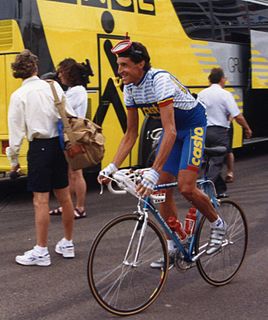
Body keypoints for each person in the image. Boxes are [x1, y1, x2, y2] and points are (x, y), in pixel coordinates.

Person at [97, 38, 228, 268]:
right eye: (119, 65)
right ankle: (173, 244)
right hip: (173, 132)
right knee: (161, 189)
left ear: (141, 64)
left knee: (186, 187)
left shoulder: (160, 80)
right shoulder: (129, 88)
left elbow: (170, 130)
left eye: (124, 65)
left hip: (191, 127)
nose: (120, 71)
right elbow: (130, 134)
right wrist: (112, 167)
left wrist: (154, 171)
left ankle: (218, 224)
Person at [7, 49, 75, 266]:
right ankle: (68, 242)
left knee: (41, 201)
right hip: (58, 145)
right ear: (35, 68)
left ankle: (41, 251)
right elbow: (71, 115)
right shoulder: (53, 86)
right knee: (64, 197)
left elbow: (16, 133)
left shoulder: (19, 96)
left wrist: (14, 161)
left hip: (39, 148)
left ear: (18, 72)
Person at [198, 67, 252, 197]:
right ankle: (203, 190)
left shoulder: (201, 94)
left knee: (208, 160)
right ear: (222, 79)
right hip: (219, 133)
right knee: (216, 162)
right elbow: (237, 115)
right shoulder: (225, 94)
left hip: (204, 131)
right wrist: (247, 128)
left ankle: (220, 191)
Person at [49, 58, 88, 219]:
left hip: (75, 135)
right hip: (70, 134)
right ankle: (68, 205)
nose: (59, 75)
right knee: (70, 172)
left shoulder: (77, 91)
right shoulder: (73, 90)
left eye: (62, 72)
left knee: (76, 172)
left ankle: (80, 207)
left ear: (69, 74)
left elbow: (62, 110)